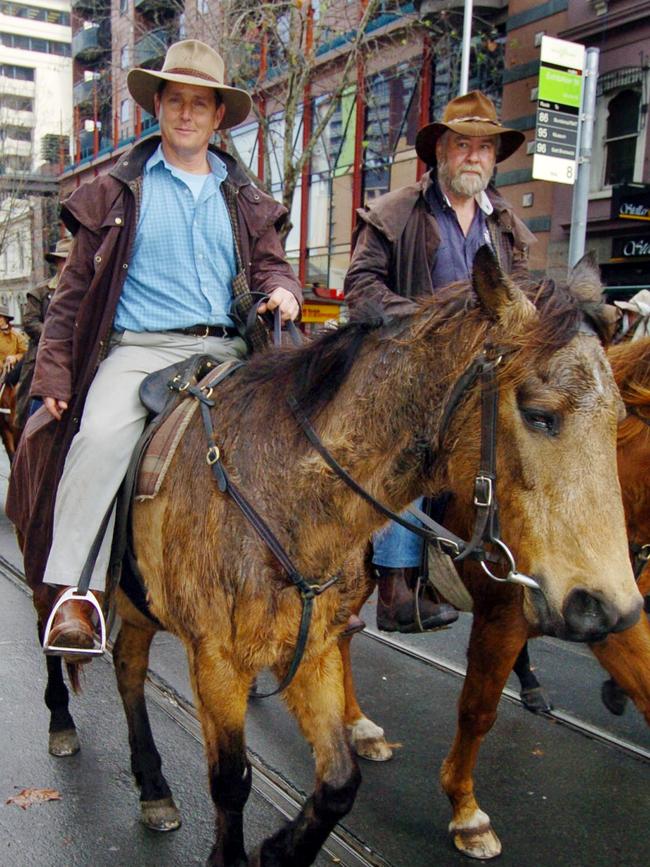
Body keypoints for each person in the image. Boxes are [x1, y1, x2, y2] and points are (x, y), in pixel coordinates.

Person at [6, 39, 302, 658]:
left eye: (201, 103)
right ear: (158, 108)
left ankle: (305, 585)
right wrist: (54, 382)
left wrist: (284, 292)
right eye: (176, 101)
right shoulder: (116, 192)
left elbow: (274, 268)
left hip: (229, 354)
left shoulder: (244, 197)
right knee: (99, 437)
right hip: (139, 350)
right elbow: (71, 297)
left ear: (219, 115)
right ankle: (77, 597)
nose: (188, 113)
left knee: (299, 437)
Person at [344, 90, 536, 633]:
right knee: (411, 444)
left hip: (481, 377)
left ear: (494, 158)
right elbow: (360, 290)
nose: (473, 156)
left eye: (484, 147)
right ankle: (396, 585)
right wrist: (436, 321)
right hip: (406, 368)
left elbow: (519, 301)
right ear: (441, 152)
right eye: (462, 144)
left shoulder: (505, 229)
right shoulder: (399, 212)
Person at [15, 236, 72, 430]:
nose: (68, 264)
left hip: (76, 354)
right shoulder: (40, 292)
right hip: (42, 353)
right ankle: (26, 434)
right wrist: (55, 337)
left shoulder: (88, 291)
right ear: (57, 263)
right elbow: (30, 322)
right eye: (64, 259)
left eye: (72, 259)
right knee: (28, 396)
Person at [0, 305, 28, 374]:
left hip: (8, 373)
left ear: (5, 319)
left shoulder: (16, 336)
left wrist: (15, 358)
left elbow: (25, 353)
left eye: (0, 317)